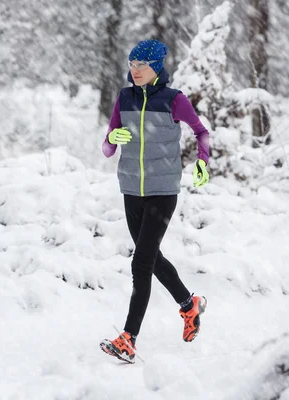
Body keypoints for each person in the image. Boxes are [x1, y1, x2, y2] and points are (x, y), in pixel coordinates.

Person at [99, 39, 210, 363]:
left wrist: (202, 160)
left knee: (141, 263)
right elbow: (106, 147)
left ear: (157, 67)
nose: (135, 71)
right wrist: (111, 138)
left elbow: (201, 132)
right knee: (152, 258)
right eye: (132, 64)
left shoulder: (173, 100)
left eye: (142, 65)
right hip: (131, 188)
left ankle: (128, 338)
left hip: (163, 190)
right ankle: (190, 305)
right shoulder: (124, 98)